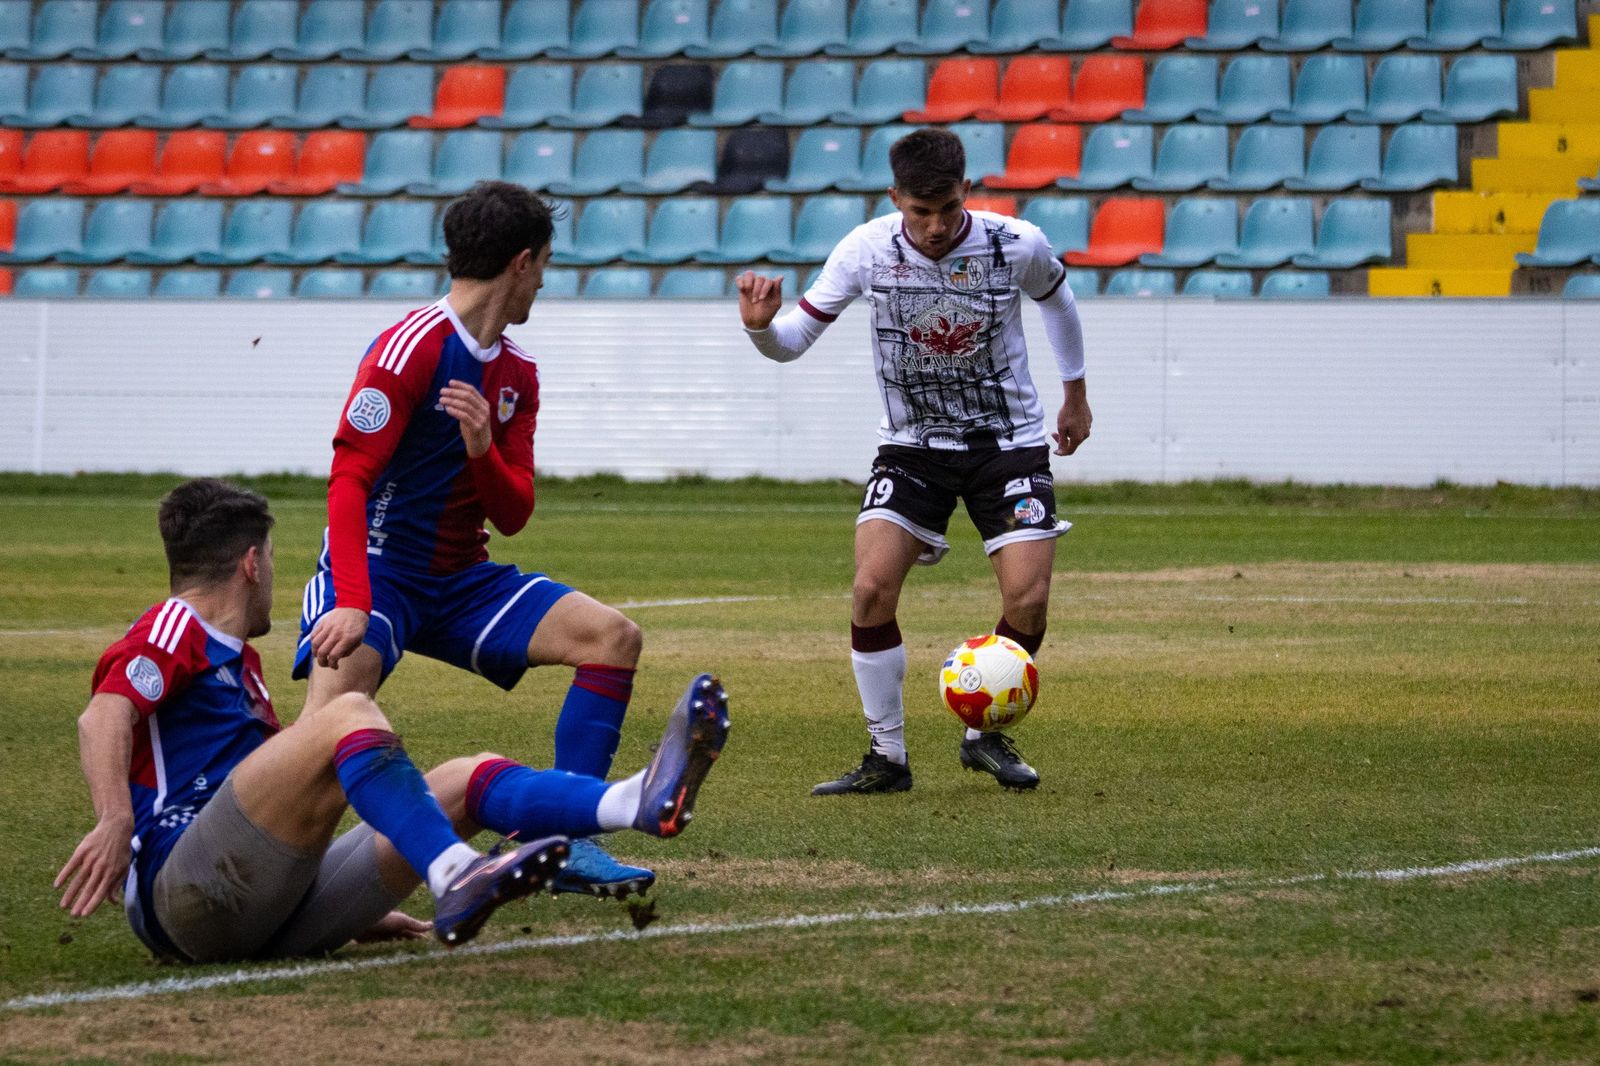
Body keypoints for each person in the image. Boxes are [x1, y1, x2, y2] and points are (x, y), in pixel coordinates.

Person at [55, 478, 731, 962]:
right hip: (185, 892)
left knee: (465, 779)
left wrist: (355, 909)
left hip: (260, 909)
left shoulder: (243, 664)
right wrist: (115, 819)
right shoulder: (176, 625)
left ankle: (631, 801)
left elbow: (268, 811)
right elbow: (105, 713)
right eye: (274, 561)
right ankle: (453, 873)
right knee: (345, 711)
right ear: (251, 564)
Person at [294, 181, 655, 898]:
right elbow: (348, 482)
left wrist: (483, 449)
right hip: (377, 573)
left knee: (612, 639)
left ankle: (565, 842)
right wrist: (353, 600)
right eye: (545, 263)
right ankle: (264, 876)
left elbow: (514, 512)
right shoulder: (407, 351)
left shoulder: (517, 374)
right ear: (522, 262)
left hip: (461, 580)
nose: (545, 281)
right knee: (323, 734)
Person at [736, 128, 1091, 795]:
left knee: (1030, 599)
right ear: (894, 197)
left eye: (948, 209)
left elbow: (1059, 302)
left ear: (966, 192)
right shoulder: (864, 249)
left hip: (1008, 443)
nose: (935, 227)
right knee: (870, 589)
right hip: (913, 446)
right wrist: (760, 327)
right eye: (920, 211)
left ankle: (984, 735)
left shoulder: (1016, 243)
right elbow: (793, 340)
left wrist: (1076, 396)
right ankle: (887, 757)